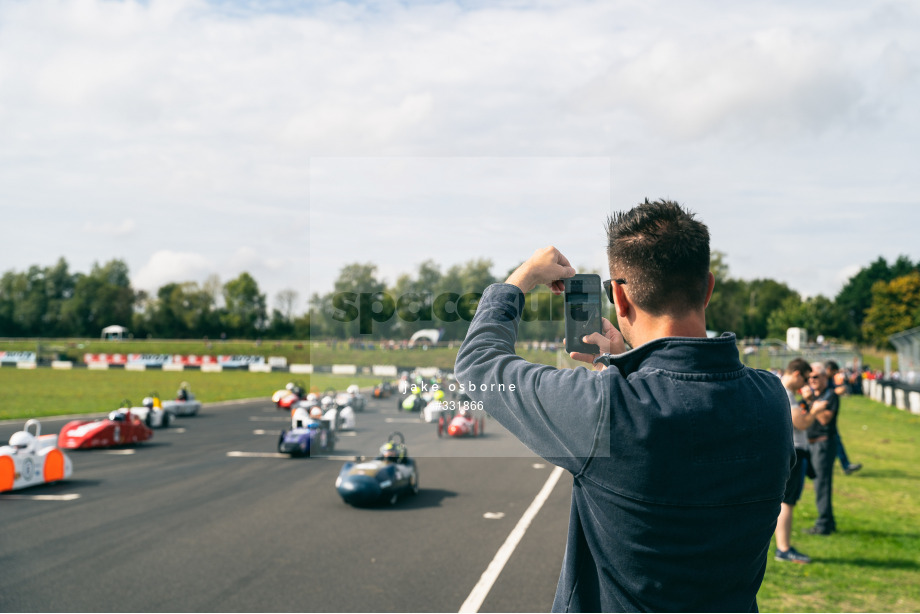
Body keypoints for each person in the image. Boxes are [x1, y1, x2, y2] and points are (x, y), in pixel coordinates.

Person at [455, 200, 793, 612]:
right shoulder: (771, 400)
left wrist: (519, 280)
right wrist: (624, 362)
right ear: (707, 288)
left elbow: (478, 365)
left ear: (618, 295)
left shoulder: (608, 406)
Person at [774, 358, 828, 564]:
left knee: (785, 500)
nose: (805, 384)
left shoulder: (777, 389)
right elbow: (801, 423)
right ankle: (784, 548)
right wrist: (814, 411)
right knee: (787, 502)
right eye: (805, 379)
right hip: (794, 451)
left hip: (787, 451)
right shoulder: (786, 393)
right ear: (796, 374)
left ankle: (783, 547)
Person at [803, 362, 839, 535]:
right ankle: (829, 522)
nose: (812, 380)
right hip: (809, 443)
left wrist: (811, 401)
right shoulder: (810, 396)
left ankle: (823, 524)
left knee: (821, 484)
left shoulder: (830, 396)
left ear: (825, 377)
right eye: (809, 377)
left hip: (823, 444)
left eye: (816, 376)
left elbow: (825, 419)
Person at [825, 360, 862, 475]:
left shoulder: (828, 379)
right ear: (829, 369)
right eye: (834, 372)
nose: (835, 375)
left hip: (828, 415)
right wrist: (835, 391)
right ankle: (845, 465)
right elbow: (821, 392)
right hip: (822, 415)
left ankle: (845, 465)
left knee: (835, 440)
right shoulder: (821, 378)